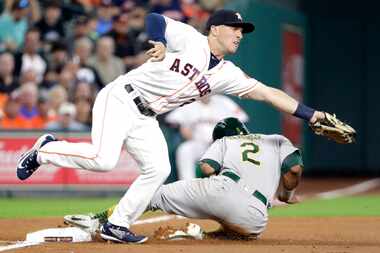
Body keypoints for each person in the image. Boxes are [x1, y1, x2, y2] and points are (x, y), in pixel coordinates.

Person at [16, 9, 326, 244]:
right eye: (234, 28)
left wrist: (311, 115)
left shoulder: (229, 74)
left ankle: (117, 223)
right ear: (215, 29)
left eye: (243, 30)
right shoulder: (191, 39)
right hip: (122, 97)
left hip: (146, 116)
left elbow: (269, 93)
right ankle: (44, 150)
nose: (240, 34)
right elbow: (155, 19)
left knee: (159, 169)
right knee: (103, 159)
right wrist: (162, 44)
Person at [64, 117, 303, 239]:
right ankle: (200, 236)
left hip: (220, 190)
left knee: (154, 194)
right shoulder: (275, 139)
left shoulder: (224, 141)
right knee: (241, 234)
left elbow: (207, 168)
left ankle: (99, 220)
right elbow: (294, 170)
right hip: (257, 215)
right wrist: (287, 194)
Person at [166, 95, 248, 180]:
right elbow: (171, 120)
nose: (205, 94)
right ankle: (187, 185)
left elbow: (242, 118)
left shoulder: (224, 101)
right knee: (185, 149)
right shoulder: (189, 103)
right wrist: (181, 127)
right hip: (198, 143)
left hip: (221, 145)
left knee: (234, 152)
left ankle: (232, 185)